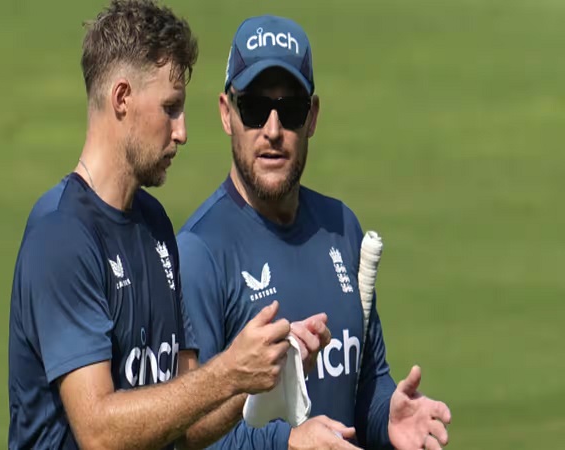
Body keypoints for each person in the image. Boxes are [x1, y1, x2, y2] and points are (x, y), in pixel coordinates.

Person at [7, 3, 338, 449]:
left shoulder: (155, 226)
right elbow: (99, 432)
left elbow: (189, 424)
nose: (181, 132)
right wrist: (229, 372)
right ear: (122, 98)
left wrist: (264, 370)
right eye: (170, 108)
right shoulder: (62, 234)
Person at [177, 15, 452, 450]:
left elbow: (366, 382)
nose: (272, 131)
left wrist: (389, 418)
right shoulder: (199, 252)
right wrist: (287, 443)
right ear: (227, 114)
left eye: (290, 110)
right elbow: (190, 435)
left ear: (313, 117)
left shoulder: (341, 227)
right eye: (254, 109)